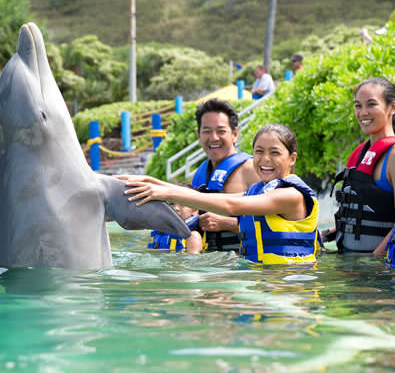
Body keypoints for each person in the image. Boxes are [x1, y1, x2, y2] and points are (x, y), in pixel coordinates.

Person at [122, 124, 321, 265]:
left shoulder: (291, 196)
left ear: (292, 158)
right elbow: (223, 200)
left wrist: (168, 192)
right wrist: (156, 183)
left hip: (291, 285)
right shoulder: (257, 191)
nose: (265, 159)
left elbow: (230, 206)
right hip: (263, 280)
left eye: (275, 153)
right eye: (259, 151)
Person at [325, 77, 395, 253]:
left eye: (371, 104)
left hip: (379, 270)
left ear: (392, 107)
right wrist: (328, 234)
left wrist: (374, 261)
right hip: (351, 262)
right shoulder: (361, 153)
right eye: (358, 106)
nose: (363, 112)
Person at [191, 99, 259, 252]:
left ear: (235, 134)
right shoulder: (198, 175)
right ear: (199, 136)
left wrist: (225, 223)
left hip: (246, 267)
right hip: (210, 265)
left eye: (221, 131)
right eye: (207, 131)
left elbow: (277, 222)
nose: (214, 137)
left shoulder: (251, 170)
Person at [147, 189, 203, 254]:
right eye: (171, 204)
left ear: (195, 210)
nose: (176, 208)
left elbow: (194, 260)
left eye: (182, 204)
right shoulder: (160, 231)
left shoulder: (192, 236)